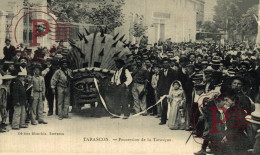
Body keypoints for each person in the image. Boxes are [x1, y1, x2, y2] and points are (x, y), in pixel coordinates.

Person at [157, 58, 178, 125]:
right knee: (164, 105)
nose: (165, 64)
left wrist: (173, 90)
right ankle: (163, 120)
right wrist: (159, 90)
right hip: (163, 92)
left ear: (169, 64)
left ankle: (173, 120)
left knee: (173, 105)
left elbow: (175, 82)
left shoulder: (173, 72)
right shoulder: (160, 72)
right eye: (164, 63)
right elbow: (159, 81)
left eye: (166, 63)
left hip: (171, 91)